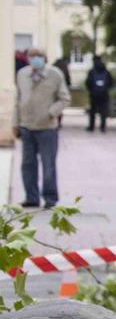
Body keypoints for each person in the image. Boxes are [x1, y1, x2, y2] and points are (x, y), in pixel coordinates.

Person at [15, 47, 66, 209]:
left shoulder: (55, 74)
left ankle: (50, 198)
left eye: (39, 56)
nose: (35, 59)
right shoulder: (22, 74)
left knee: (48, 164)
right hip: (26, 126)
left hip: (47, 128)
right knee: (27, 164)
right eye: (32, 56)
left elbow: (64, 98)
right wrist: (15, 123)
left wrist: (51, 112)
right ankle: (31, 197)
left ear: (45, 58)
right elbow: (18, 99)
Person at [84, 56, 113, 133]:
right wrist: (106, 89)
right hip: (104, 94)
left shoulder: (92, 71)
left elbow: (88, 83)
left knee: (93, 111)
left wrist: (91, 90)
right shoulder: (106, 71)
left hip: (94, 95)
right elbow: (111, 83)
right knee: (103, 111)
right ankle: (103, 127)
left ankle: (91, 126)